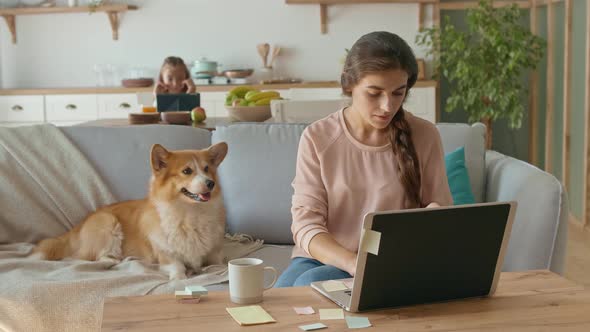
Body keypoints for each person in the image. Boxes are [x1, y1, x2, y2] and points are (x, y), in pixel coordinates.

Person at [275, 31, 453, 288]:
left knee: (310, 284)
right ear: (350, 85)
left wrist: (434, 214)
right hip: (322, 257)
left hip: (389, 260)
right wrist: (351, 262)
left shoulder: (424, 135)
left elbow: (441, 211)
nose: (387, 106)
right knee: (282, 295)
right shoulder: (317, 137)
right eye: (374, 93)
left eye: (398, 93)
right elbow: (305, 226)